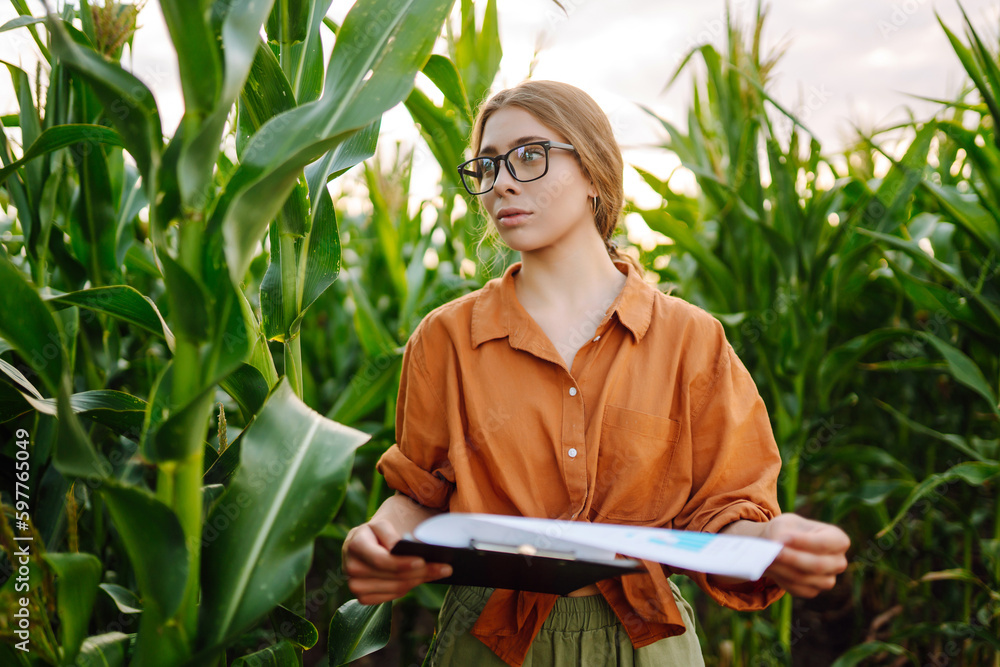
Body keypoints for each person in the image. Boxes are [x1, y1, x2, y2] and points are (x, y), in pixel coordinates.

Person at [342, 80, 850, 666]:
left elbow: (722, 514)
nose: (501, 181)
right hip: (488, 641)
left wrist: (771, 542)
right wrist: (377, 536)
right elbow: (423, 495)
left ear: (593, 170)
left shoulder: (690, 339)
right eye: (486, 165)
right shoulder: (446, 339)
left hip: (644, 641)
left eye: (530, 156)